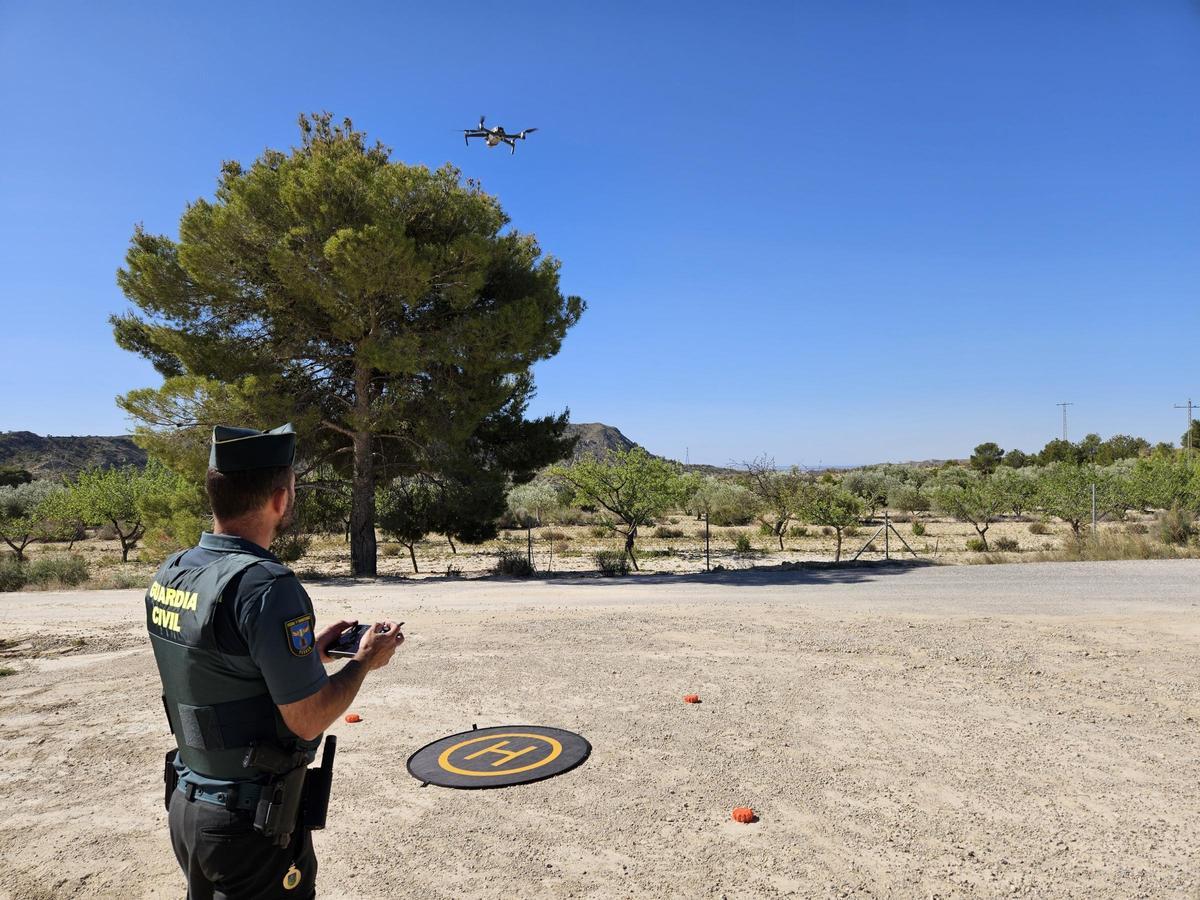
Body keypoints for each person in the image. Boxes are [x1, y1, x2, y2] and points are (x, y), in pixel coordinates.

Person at [146, 423, 403, 899]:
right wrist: (362, 661)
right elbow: (307, 721)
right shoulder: (267, 585)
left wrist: (313, 653)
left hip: (189, 804)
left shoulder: (175, 571)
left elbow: (221, 663)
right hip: (249, 823)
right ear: (280, 499)